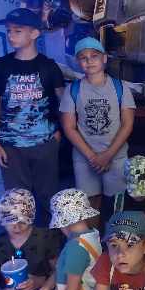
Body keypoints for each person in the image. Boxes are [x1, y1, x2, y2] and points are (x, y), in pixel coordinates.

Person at [0, 8, 65, 223]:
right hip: (11, 146)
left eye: (17, 31)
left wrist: (60, 133)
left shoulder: (49, 67)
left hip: (44, 143)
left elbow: (63, 103)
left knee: (49, 198)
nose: (11, 35)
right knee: (17, 201)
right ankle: (21, 243)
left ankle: (51, 240)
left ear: (35, 33)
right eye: (8, 31)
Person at [60, 37, 136, 226]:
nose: (89, 61)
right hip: (84, 158)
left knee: (118, 202)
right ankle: (92, 240)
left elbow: (127, 124)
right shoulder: (73, 90)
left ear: (104, 58)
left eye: (94, 56)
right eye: (83, 58)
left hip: (116, 157)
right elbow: (69, 127)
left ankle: (116, 238)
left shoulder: (120, 88)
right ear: (78, 62)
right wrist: (93, 157)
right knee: (90, 202)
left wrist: (108, 155)